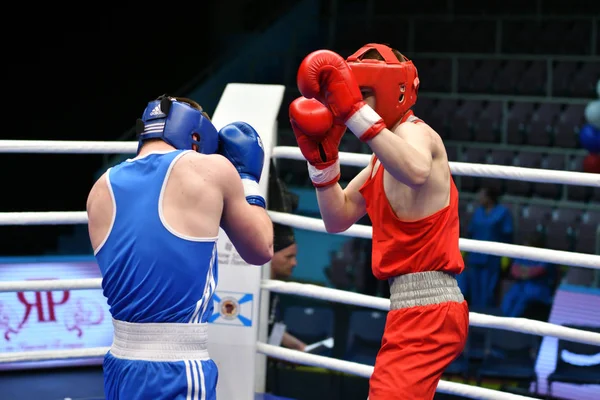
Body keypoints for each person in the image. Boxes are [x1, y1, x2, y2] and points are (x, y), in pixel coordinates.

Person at [289, 43, 468, 399]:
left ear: (393, 90)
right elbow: (336, 218)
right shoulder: (379, 160)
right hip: (411, 307)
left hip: (428, 308)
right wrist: (322, 166)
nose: (348, 102)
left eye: (362, 93)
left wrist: (356, 113)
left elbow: (416, 170)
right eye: (352, 93)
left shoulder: (416, 133)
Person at [86, 95, 273, 400]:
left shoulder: (101, 187)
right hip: (177, 368)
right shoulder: (209, 169)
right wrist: (248, 180)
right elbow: (261, 249)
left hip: (120, 366)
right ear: (197, 137)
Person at [266, 161, 306, 351]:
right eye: (288, 257)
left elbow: (269, 328)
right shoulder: (256, 287)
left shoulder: (276, 287)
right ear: (270, 255)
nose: (295, 263)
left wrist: (293, 345)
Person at [460, 185, 514, 308]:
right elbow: (471, 232)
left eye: (482, 195)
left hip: (492, 259)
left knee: (489, 293)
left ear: (490, 197)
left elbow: (507, 236)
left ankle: (487, 322)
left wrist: (506, 257)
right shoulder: (478, 211)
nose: (479, 197)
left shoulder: (503, 213)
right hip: (475, 257)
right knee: (474, 292)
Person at [501, 233, 556, 318]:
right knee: (509, 298)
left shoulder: (546, 256)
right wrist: (526, 271)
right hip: (521, 285)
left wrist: (524, 271)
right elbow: (514, 270)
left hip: (539, 287)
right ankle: (504, 319)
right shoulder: (523, 254)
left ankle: (511, 321)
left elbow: (537, 271)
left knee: (524, 298)